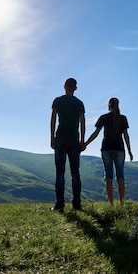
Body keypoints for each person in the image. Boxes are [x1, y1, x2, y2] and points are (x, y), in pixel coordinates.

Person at [85, 97, 133, 205]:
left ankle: (111, 204)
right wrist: (129, 150)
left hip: (106, 148)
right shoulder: (123, 118)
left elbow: (96, 133)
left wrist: (85, 143)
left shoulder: (104, 117)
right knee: (120, 177)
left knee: (108, 177)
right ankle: (122, 203)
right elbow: (126, 135)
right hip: (119, 149)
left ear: (109, 105)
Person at [50, 77, 86, 212]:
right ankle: (77, 204)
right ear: (75, 88)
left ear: (64, 86)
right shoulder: (79, 103)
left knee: (60, 173)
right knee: (75, 173)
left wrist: (52, 137)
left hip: (60, 138)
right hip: (74, 139)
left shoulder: (58, 101)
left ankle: (59, 204)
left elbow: (53, 119)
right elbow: (82, 122)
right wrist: (82, 140)